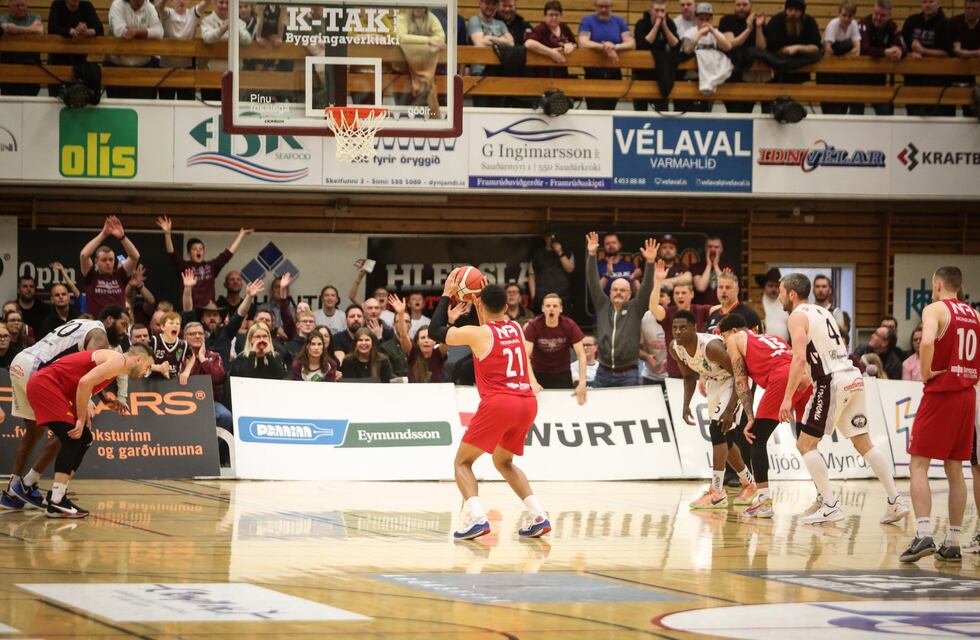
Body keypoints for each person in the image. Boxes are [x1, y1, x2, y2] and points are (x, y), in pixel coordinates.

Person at [779, 273, 908, 525]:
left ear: (792, 294)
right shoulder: (823, 312)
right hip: (853, 377)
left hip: (832, 381)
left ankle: (830, 505)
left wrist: (787, 398)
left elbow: (799, 358)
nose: (780, 296)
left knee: (805, 445)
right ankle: (896, 500)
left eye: (782, 291)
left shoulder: (796, 316)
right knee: (864, 443)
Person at [428, 272, 549, 540]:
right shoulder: (517, 328)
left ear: (479, 306)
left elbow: (434, 332)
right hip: (527, 402)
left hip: (500, 402)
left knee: (462, 463)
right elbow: (492, 321)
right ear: (506, 308)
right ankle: (539, 516)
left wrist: (448, 293)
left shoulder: (477, 334)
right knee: (503, 461)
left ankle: (477, 517)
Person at [900, 267, 979, 563]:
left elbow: (928, 341)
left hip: (942, 392)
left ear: (937, 284)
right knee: (955, 468)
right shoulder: (974, 315)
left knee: (918, 464)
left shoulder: (935, 308)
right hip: (968, 395)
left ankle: (923, 534)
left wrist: (927, 370)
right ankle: (953, 541)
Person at [0, 316, 112, 511]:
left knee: (33, 432)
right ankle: (30, 483)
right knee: (70, 431)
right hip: (38, 370)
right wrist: (87, 402)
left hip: (22, 363)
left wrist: (100, 395)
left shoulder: (80, 325)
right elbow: (89, 369)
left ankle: (13, 491)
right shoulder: (100, 336)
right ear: (110, 322)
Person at [25, 346, 153, 517]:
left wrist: (83, 415)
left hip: (54, 388)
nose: (146, 371)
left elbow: (83, 385)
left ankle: (56, 494)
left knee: (85, 438)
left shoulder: (116, 366)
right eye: (147, 366)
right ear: (138, 359)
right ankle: (55, 501)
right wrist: (80, 417)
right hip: (46, 385)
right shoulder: (117, 360)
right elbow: (84, 382)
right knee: (74, 438)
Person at [720, 313, 812, 517]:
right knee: (807, 443)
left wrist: (750, 416)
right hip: (803, 377)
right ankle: (826, 499)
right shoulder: (773, 337)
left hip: (781, 378)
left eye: (723, 337)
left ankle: (764, 500)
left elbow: (741, 381)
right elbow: (795, 361)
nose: (725, 344)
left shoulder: (735, 340)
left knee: (757, 437)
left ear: (733, 331)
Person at [671, 310, 757, 510]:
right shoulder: (675, 348)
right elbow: (688, 377)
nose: (678, 332)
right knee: (724, 438)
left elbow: (740, 374)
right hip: (716, 382)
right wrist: (685, 405)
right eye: (674, 328)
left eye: (683, 327)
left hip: (736, 380)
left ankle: (717, 491)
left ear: (694, 328)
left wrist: (730, 409)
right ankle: (748, 482)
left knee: (717, 430)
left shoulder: (712, 348)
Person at [586, 232, 658, 387]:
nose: (618, 292)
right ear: (610, 292)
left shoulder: (636, 308)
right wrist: (592, 254)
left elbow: (646, 289)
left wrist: (650, 263)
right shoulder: (602, 305)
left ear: (629, 294)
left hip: (628, 373)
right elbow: (592, 282)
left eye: (622, 290)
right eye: (615, 289)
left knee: (628, 412)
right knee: (598, 411)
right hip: (603, 371)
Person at [157, 216, 253, 309]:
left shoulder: (211, 266)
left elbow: (228, 254)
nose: (198, 251)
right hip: (191, 309)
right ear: (189, 254)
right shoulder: (185, 266)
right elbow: (172, 254)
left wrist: (241, 235)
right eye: (195, 249)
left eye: (201, 249)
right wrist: (167, 234)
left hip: (209, 310)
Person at [389, 294, 468, 383]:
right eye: (422, 338)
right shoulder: (412, 352)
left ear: (435, 342)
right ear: (417, 341)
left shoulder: (439, 353)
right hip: (414, 393)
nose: (426, 340)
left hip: (436, 392)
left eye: (429, 338)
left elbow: (446, 339)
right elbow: (403, 335)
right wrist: (401, 314)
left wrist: (450, 322)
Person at [524, 294, 588, 403]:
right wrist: (532, 381)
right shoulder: (533, 326)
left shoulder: (569, 325)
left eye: (555, 306)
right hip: (538, 372)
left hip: (562, 374)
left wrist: (582, 383)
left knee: (563, 405)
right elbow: (525, 356)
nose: (551, 308)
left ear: (561, 309)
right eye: (548, 306)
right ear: (543, 308)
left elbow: (581, 355)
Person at [577, 0, 635, 110]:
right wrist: (604, 47)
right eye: (600, 6)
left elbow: (631, 43)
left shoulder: (620, 22)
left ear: (611, 6)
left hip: (614, 73)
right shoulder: (587, 21)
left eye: (606, 6)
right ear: (595, 6)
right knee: (594, 110)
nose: (603, 10)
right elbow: (583, 42)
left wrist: (615, 47)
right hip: (593, 73)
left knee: (610, 110)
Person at [79, 216, 140, 319]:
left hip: (119, 324)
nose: (108, 263)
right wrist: (103, 234)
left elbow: (135, 256)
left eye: (111, 260)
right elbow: (84, 255)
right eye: (104, 260)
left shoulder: (120, 275)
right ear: (96, 262)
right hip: (97, 324)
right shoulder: (91, 276)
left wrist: (122, 237)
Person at [902, 0, 954, 116]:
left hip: (935, 81)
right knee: (913, 116)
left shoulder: (945, 24)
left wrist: (923, 51)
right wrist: (909, 54)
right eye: (924, 2)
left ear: (939, 3)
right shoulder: (912, 21)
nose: (927, 5)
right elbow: (901, 45)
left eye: (931, 1)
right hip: (913, 79)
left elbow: (946, 53)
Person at [105, 0, 165, 99]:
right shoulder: (117, 4)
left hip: (142, 68)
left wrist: (137, 31)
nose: (139, 1)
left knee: (142, 109)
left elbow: (159, 32)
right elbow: (120, 31)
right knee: (118, 110)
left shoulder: (149, 6)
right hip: (117, 68)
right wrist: (148, 33)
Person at [859, 0, 907, 115]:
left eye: (883, 15)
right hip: (859, 78)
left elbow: (903, 47)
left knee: (886, 113)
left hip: (879, 79)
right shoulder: (863, 23)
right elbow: (864, 48)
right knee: (856, 114)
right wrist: (885, 52)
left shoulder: (892, 25)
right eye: (876, 14)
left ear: (889, 16)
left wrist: (899, 51)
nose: (878, 18)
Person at [396, 7, 446, 118]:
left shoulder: (431, 18)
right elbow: (401, 37)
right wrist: (428, 41)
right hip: (403, 73)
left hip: (426, 73)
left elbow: (441, 38)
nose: (418, 8)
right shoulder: (402, 18)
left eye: (422, 5)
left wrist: (416, 44)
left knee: (428, 88)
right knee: (405, 113)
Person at [225, 321, 288, 408]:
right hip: (247, 400)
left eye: (265, 336)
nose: (261, 340)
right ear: (251, 339)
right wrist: (252, 354)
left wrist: (269, 355)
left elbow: (280, 376)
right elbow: (243, 378)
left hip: (271, 400)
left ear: (269, 339)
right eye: (258, 337)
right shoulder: (242, 357)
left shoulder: (275, 357)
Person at [633, 0, 679, 112]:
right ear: (650, 11)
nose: (660, 14)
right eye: (656, 10)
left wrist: (664, 27)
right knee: (640, 108)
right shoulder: (641, 24)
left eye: (662, 11)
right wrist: (657, 25)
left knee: (662, 107)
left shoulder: (670, 23)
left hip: (661, 72)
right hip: (641, 72)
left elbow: (676, 45)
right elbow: (643, 45)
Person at [154, 0, 206, 99]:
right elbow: (158, 7)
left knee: (187, 104)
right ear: (172, 2)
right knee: (167, 104)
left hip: (187, 68)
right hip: (166, 68)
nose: (181, 1)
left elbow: (207, 3)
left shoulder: (193, 14)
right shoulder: (168, 13)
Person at [819, 0, 863, 115]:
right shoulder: (833, 24)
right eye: (844, 15)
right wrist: (843, 57)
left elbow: (857, 51)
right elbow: (828, 51)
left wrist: (842, 57)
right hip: (828, 70)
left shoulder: (853, 24)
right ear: (839, 14)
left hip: (842, 68)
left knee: (843, 104)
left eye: (850, 16)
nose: (846, 19)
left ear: (853, 16)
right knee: (829, 105)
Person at [680, 3, 733, 96]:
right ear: (696, 19)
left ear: (712, 19)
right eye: (701, 19)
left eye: (707, 19)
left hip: (711, 78)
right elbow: (686, 50)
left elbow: (728, 47)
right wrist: (700, 33)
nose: (704, 22)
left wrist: (713, 31)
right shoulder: (690, 32)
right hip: (692, 79)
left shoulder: (715, 33)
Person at [0, 0, 44, 96]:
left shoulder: (35, 16)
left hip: (31, 65)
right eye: (16, 6)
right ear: (9, 6)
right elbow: (7, 28)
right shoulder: (3, 18)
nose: (20, 8)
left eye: (23, 5)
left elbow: (39, 30)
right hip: (10, 67)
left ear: (27, 5)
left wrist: (17, 29)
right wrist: (31, 30)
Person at [524, 1, 578, 80]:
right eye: (551, 15)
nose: (554, 18)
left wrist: (570, 45)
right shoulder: (541, 29)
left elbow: (575, 45)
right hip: (543, 73)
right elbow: (529, 43)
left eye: (557, 15)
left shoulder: (564, 28)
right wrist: (551, 53)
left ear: (561, 16)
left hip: (561, 71)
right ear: (545, 16)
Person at [528, 231, 574, 311]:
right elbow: (531, 275)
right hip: (542, 295)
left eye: (553, 236)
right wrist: (533, 296)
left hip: (562, 295)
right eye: (549, 236)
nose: (551, 239)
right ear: (545, 237)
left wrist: (560, 253)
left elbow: (570, 269)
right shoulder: (537, 254)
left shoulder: (567, 252)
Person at [148, 311, 195, 383]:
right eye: (171, 323)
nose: (175, 325)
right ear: (163, 327)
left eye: (178, 324)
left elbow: (192, 357)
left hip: (173, 382)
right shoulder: (155, 341)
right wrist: (159, 368)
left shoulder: (183, 344)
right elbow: (143, 362)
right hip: (153, 381)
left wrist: (186, 372)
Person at [755, 267, 788, 341]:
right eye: (770, 286)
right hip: (762, 347)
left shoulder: (787, 304)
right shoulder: (755, 305)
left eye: (777, 286)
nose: (774, 289)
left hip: (785, 348)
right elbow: (752, 328)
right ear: (764, 286)